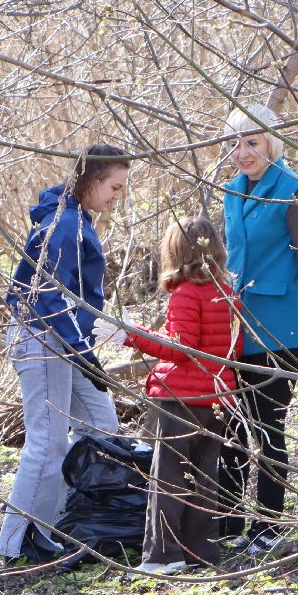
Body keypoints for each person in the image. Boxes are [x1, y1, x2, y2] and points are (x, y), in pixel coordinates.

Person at [0, 144, 130, 567]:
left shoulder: (76, 219)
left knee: (100, 424)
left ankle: (70, 523)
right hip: (42, 340)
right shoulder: (65, 224)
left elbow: (79, 295)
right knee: (48, 439)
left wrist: (85, 350)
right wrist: (81, 351)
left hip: (65, 341)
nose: (116, 196)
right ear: (92, 180)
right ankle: (17, 541)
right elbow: (48, 296)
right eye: (113, 186)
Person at [216, 105, 298, 554]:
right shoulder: (231, 190)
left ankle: (267, 528)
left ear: (271, 141)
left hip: (281, 325)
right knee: (230, 422)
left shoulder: (293, 191)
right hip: (235, 322)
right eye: (234, 143)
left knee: (267, 425)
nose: (242, 152)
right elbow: (232, 255)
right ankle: (228, 524)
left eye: (251, 141)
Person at [95, 218, 239, 574]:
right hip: (217, 398)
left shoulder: (187, 292)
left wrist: (130, 334)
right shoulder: (226, 290)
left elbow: (181, 348)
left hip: (182, 401)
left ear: (174, 251)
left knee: (169, 478)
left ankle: (163, 556)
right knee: (206, 476)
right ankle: (200, 552)